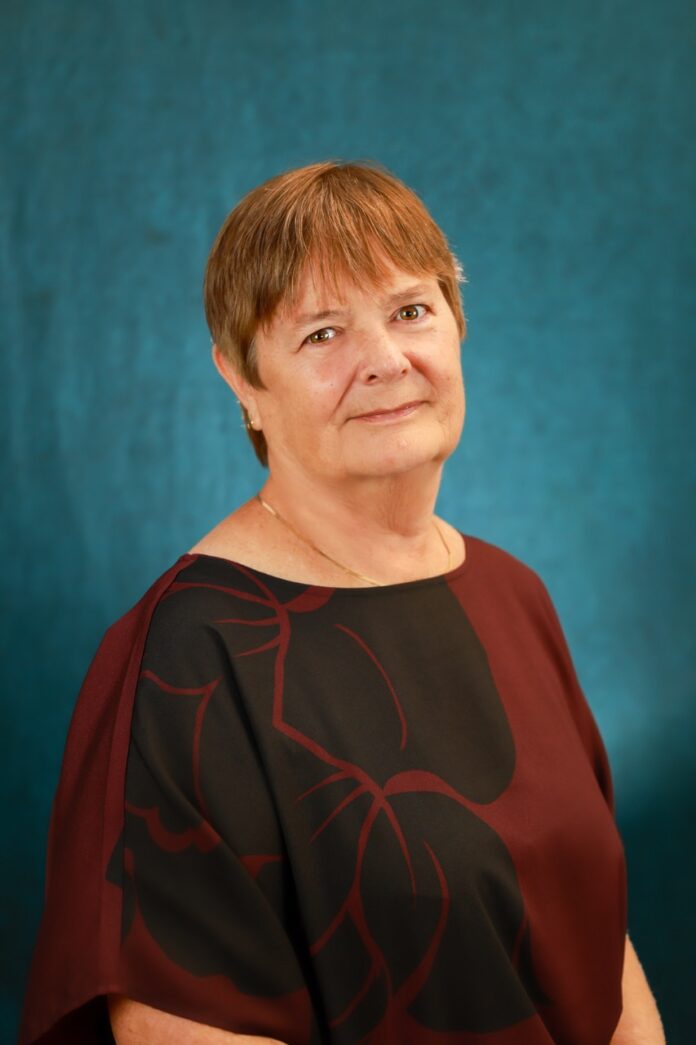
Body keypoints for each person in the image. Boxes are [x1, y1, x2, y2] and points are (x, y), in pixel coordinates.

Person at [19, 160, 664, 1045]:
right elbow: (183, 1021)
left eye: (410, 310)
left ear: (457, 326)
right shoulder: (188, 654)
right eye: (322, 334)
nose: (386, 361)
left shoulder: (511, 595)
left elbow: (595, 934)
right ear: (243, 380)